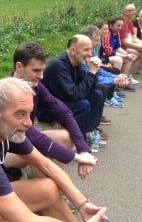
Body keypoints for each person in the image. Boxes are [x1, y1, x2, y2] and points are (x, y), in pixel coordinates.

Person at [0, 77, 118, 222]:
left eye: (29, 113)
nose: (28, 123)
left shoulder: (1, 130)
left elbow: (47, 166)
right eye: (20, 114)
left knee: (48, 188)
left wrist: (82, 205)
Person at [5, 41, 96, 179]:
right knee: (43, 150)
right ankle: (48, 191)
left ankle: (45, 188)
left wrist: (83, 150)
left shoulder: (34, 86)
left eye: (42, 70)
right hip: (0, 152)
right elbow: (31, 136)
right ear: (19, 67)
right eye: (36, 71)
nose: (41, 76)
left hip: (21, 142)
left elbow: (64, 113)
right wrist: (75, 157)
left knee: (66, 137)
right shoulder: (8, 94)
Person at [39, 34, 105, 142]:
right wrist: (91, 73)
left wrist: (93, 70)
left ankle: (87, 132)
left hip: (61, 100)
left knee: (97, 95)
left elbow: (91, 88)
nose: (90, 54)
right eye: (86, 50)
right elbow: (74, 94)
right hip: (46, 109)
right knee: (83, 105)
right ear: (73, 50)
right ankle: (76, 140)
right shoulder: (58, 65)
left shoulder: (75, 63)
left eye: (91, 49)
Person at [80, 25, 129, 108]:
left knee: (112, 73)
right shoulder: (81, 55)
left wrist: (116, 77)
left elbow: (98, 71)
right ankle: (108, 98)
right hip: (75, 90)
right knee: (101, 88)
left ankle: (109, 97)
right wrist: (114, 80)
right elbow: (91, 77)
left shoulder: (87, 53)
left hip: (82, 84)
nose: (99, 43)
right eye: (96, 40)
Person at [100, 15, 137, 91]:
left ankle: (123, 81)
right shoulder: (107, 33)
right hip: (102, 56)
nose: (120, 28)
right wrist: (126, 56)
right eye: (118, 25)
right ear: (111, 25)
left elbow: (118, 48)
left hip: (108, 56)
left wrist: (127, 55)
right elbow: (108, 51)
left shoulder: (116, 32)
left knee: (129, 58)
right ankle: (114, 85)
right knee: (118, 60)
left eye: (121, 26)